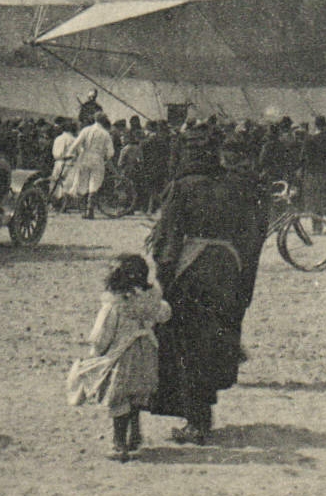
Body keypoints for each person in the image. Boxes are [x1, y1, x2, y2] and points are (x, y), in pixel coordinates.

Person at [147, 129, 266, 444]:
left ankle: (197, 421)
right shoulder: (236, 187)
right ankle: (203, 414)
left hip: (192, 272)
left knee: (188, 346)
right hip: (228, 269)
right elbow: (251, 236)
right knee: (212, 343)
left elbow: (167, 240)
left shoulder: (182, 187)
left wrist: (164, 278)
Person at [66, 253, 173, 462]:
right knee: (135, 397)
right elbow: (164, 313)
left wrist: (95, 355)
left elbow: (102, 335)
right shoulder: (151, 301)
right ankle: (134, 435)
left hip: (124, 357)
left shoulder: (114, 305)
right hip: (147, 354)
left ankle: (119, 444)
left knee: (119, 399)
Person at [71, 114, 116, 219]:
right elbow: (111, 152)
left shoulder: (86, 130)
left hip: (85, 158)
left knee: (83, 182)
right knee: (94, 184)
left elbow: (76, 143)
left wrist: (70, 154)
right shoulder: (105, 134)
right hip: (97, 159)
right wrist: (106, 156)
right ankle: (90, 210)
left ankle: (83, 211)